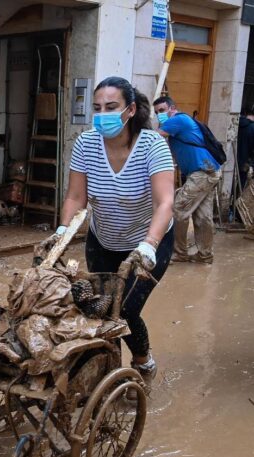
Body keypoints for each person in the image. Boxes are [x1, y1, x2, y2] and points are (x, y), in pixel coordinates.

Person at [50, 76, 175, 389]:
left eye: (111, 106)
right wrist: (63, 232)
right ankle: (111, 373)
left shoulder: (152, 146)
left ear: (130, 109)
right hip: (103, 239)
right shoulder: (87, 144)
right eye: (97, 108)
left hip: (148, 243)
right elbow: (76, 197)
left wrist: (149, 244)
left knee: (126, 310)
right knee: (99, 308)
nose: (102, 114)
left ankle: (143, 361)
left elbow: (165, 203)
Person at [153, 96, 222, 264]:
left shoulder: (178, 119)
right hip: (209, 171)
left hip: (202, 172)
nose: (159, 115)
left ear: (172, 108)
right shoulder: (180, 122)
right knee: (203, 216)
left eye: (162, 110)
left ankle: (179, 252)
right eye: (156, 113)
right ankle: (205, 255)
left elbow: (154, 137)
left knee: (178, 209)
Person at [237, 104, 254, 188]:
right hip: (244, 162)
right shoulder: (252, 127)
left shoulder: (237, 123)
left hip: (233, 160)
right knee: (240, 185)